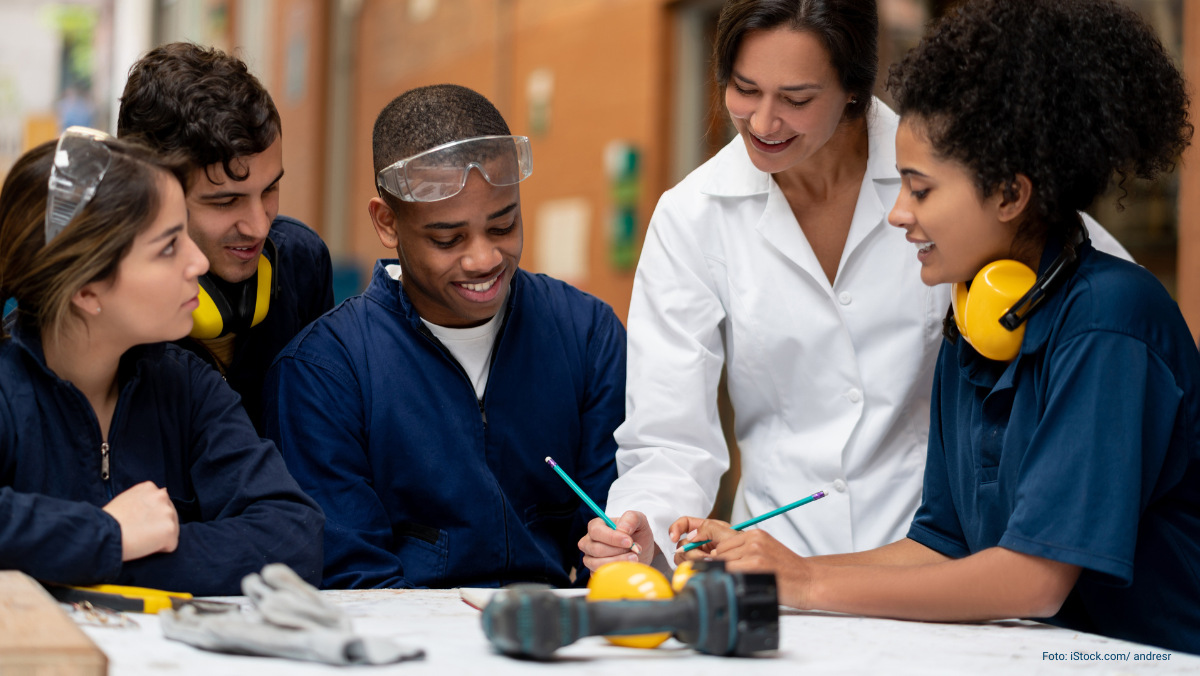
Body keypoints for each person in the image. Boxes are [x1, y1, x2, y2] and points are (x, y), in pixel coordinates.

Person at [674, 0, 1200, 655]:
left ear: (1010, 194)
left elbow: (1032, 582)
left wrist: (806, 582)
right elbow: (940, 543)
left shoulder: (1110, 325)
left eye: (919, 189)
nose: (897, 214)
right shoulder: (972, 323)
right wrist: (770, 563)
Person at [579, 0, 1133, 571]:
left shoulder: (949, 173)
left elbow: (1097, 296)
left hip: (941, 565)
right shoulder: (691, 216)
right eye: (745, 89)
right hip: (774, 566)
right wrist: (643, 528)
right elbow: (671, 438)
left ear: (853, 90)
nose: (764, 123)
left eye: (796, 100)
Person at [263, 85, 626, 589]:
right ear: (386, 222)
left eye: (504, 225)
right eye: (447, 239)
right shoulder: (325, 371)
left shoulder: (586, 335)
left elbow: (613, 540)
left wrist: (623, 554)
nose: (483, 260)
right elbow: (352, 582)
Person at [0, 130, 324, 595]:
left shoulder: (187, 385)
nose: (196, 262)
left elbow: (294, 537)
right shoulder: (8, 391)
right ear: (86, 290)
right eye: (169, 246)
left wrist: (89, 562)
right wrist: (107, 535)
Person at [117, 43, 334, 431]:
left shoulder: (303, 263)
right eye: (227, 201)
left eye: (269, 190)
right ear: (145, 194)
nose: (260, 226)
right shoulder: (97, 309)